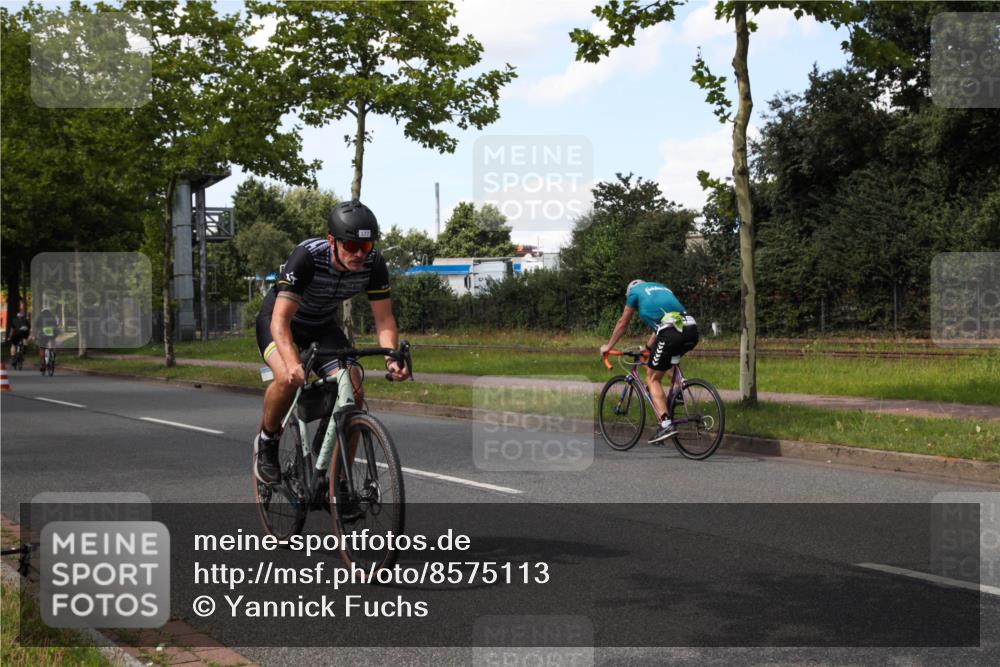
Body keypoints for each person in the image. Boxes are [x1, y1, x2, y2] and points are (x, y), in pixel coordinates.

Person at [253, 199, 408, 484]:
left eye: (366, 246)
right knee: (286, 378)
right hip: (281, 322)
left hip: (322, 325)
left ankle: (340, 483)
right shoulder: (308, 256)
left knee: (354, 388)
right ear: (331, 241)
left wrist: (391, 357)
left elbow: (384, 319)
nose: (359, 254)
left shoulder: (373, 264)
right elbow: (280, 321)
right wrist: (292, 362)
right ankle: (267, 440)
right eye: (351, 245)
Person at [600, 279, 699, 443]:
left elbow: (622, 323)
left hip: (670, 332)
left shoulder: (634, 293)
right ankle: (678, 391)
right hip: (691, 329)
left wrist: (608, 346)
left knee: (652, 378)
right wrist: (647, 348)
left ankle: (666, 424)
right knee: (666, 362)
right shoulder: (661, 288)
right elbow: (659, 328)